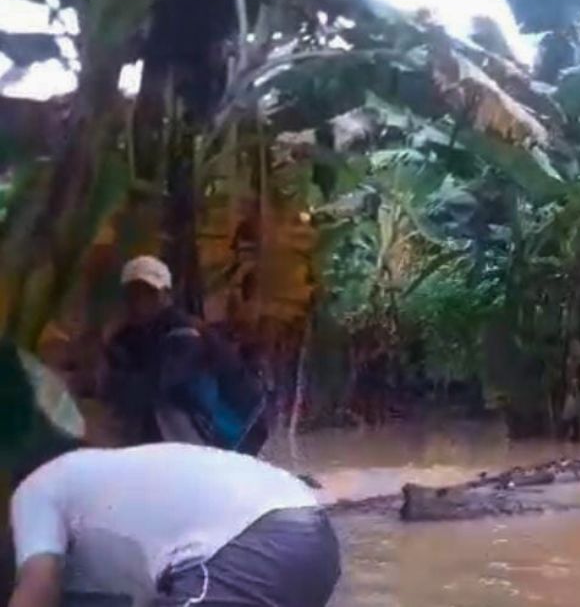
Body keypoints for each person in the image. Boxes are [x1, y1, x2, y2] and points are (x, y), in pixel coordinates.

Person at [8, 440, 340, 607]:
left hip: (253, 544)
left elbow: (39, 583)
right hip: (313, 536)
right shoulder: (95, 483)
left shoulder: (35, 488)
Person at [101, 257, 267, 453]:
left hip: (239, 426)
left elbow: (158, 382)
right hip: (201, 425)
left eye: (150, 293)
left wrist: (102, 382)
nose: (140, 301)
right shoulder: (129, 336)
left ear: (166, 296)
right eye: (134, 294)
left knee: (164, 404)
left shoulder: (184, 333)